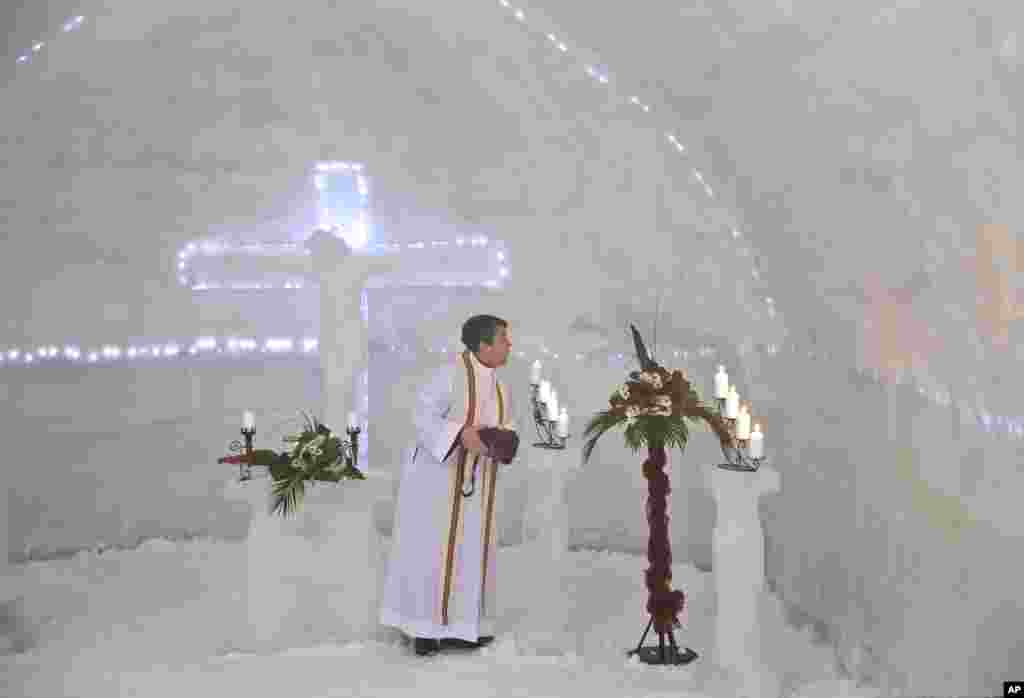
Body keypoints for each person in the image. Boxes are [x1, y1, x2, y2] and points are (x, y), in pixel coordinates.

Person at [379, 315, 517, 656]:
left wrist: (505, 441)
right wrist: (459, 434)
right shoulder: (449, 374)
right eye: (503, 339)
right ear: (483, 345)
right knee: (433, 552)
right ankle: (424, 628)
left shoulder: (500, 387)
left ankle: (462, 626)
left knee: (470, 552)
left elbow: (502, 425)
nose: (509, 345)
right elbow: (422, 415)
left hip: (475, 485)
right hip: (436, 482)